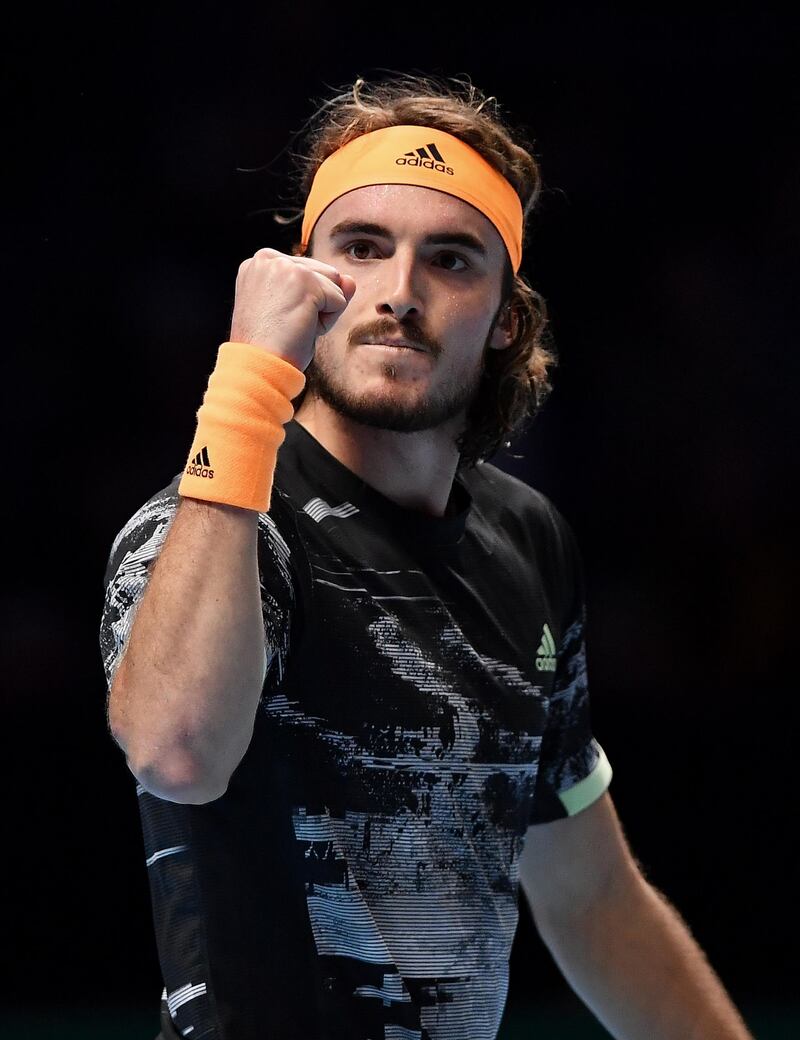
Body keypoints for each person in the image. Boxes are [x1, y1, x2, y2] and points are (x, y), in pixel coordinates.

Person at [99, 73, 753, 1040]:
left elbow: (592, 897)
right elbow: (178, 754)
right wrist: (245, 383)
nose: (399, 293)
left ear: (505, 320)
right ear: (305, 280)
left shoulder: (529, 541)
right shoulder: (214, 526)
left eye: (450, 260)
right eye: (361, 248)